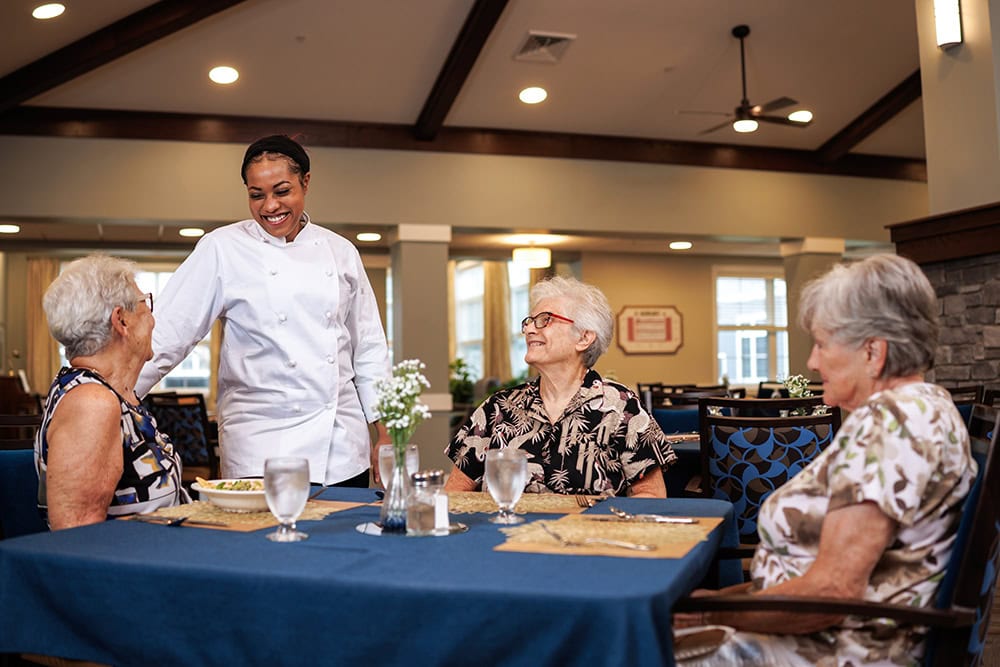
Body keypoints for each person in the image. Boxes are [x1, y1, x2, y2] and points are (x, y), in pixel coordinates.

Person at [673, 254, 976, 666]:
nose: (813, 362)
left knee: (625, 646)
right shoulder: (927, 406)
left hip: (841, 651)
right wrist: (720, 600)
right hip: (838, 634)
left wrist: (709, 612)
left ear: (873, 352)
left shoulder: (891, 424)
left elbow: (832, 594)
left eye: (822, 343)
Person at [136, 135, 391, 487]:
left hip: (341, 448)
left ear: (306, 182)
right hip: (260, 444)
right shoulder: (222, 248)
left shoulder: (340, 251)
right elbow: (168, 334)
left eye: (282, 191)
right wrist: (112, 395)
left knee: (342, 540)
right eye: (257, 195)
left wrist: (386, 433)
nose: (270, 206)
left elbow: (369, 348)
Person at [445, 275, 675, 498]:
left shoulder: (621, 407)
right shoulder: (498, 408)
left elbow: (650, 495)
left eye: (545, 319)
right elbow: (454, 493)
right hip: (508, 534)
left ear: (584, 338)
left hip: (588, 536)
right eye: (529, 322)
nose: (529, 330)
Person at [37, 255, 188, 529]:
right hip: (138, 567)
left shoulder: (113, 395)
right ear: (121, 321)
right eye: (146, 304)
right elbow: (78, 534)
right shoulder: (92, 403)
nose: (153, 319)